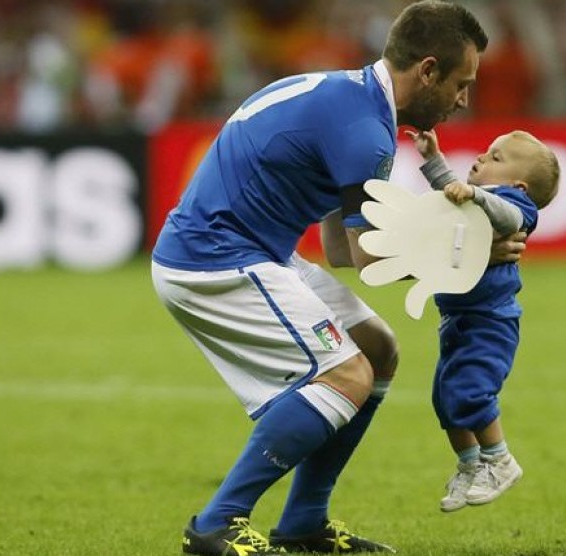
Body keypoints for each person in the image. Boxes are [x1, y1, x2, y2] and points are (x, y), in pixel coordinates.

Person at [151, 2, 503, 554]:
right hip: (214, 258)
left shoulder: (352, 100)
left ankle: (303, 525)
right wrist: (473, 253)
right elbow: (366, 256)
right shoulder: (366, 131)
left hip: (250, 247)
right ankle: (217, 522)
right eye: (462, 83)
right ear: (428, 70)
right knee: (346, 375)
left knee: (378, 349)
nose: (464, 99)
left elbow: (339, 247)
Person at [407, 128, 559, 512]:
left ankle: (501, 460)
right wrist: (432, 160)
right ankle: (470, 464)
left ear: (519, 184)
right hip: (457, 318)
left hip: (489, 321)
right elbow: (451, 193)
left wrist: (475, 193)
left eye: (495, 158)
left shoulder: (516, 204)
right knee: (444, 399)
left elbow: (506, 216)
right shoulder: (480, 200)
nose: (481, 158)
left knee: (469, 394)